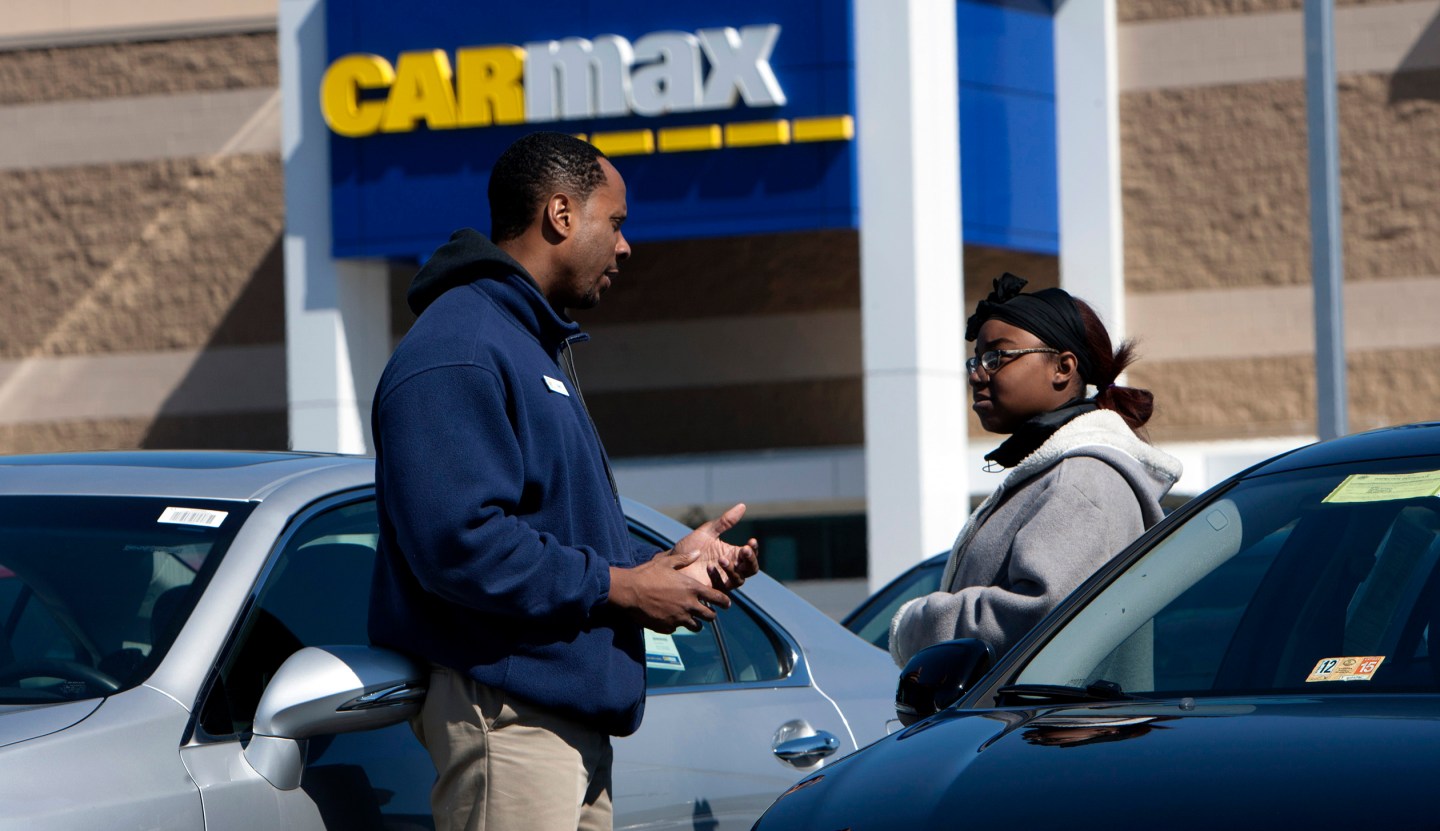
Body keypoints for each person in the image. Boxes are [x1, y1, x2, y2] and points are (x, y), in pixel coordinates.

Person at [368, 131, 759, 831]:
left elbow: (548, 534)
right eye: (617, 222)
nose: (626, 245)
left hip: (563, 722)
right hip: (509, 720)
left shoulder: (524, 344)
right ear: (560, 214)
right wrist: (626, 587)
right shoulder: (460, 350)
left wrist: (665, 566)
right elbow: (462, 544)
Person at [888, 272, 1182, 667]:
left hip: (1058, 729)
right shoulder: (1057, 473)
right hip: (1031, 728)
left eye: (997, 357)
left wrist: (916, 625)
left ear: (1062, 367)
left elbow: (1041, 615)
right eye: (975, 360)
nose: (977, 374)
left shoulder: (1082, 480)